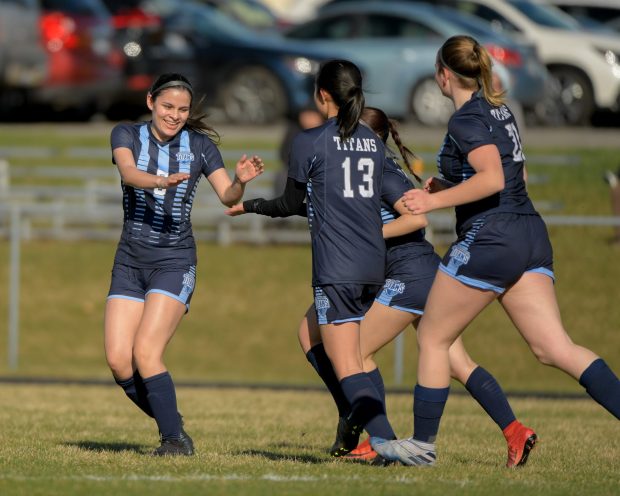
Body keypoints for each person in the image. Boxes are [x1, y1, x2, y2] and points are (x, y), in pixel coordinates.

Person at [370, 35, 620, 467]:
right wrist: (451, 189)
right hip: (528, 232)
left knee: (432, 336)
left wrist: (433, 200)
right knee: (554, 348)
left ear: (443, 75)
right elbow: (510, 173)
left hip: (492, 237)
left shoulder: (465, 119)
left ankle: (422, 444)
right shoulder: (500, 111)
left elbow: (492, 180)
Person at [298, 106, 536, 468]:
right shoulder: (362, 166)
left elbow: (416, 218)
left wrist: (364, 237)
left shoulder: (374, 166)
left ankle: (382, 439)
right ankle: (515, 430)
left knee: (354, 354)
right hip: (420, 273)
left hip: (409, 276)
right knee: (458, 362)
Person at [226, 60, 397, 450]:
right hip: (374, 263)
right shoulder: (372, 140)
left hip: (338, 266)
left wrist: (249, 206)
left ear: (323, 95)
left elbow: (290, 203)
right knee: (310, 335)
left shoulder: (310, 140)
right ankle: (354, 425)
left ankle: (383, 443)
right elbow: (331, 201)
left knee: (348, 364)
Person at [104, 73, 264, 456]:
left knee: (145, 352)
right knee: (118, 361)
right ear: (150, 103)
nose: (174, 115)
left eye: (182, 109)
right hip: (130, 259)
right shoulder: (126, 134)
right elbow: (127, 172)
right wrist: (158, 181)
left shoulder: (201, 147)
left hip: (174, 260)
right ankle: (173, 423)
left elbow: (228, 196)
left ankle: (174, 440)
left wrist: (241, 182)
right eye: (167, 107)